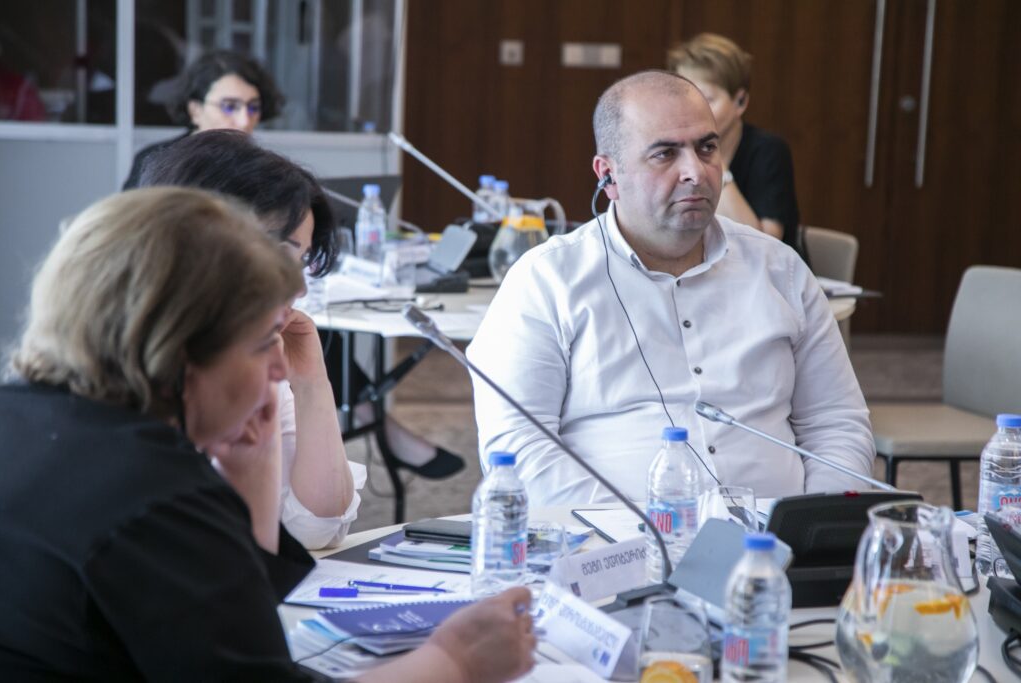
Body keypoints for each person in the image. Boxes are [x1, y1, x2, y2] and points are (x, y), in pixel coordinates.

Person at [0, 187, 535, 682]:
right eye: (261, 344)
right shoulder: (157, 496)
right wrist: (454, 661)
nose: (278, 370)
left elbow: (236, 618)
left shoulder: (25, 418)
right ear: (179, 353)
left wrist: (250, 472)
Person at [467, 70, 874, 506]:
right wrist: (638, 531)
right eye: (664, 154)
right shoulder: (547, 279)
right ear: (608, 175)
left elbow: (836, 423)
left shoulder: (780, 269)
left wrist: (815, 524)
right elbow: (519, 448)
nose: (695, 172)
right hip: (610, 539)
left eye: (707, 148)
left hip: (773, 539)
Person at [137, 131, 461, 551]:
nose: (299, 287)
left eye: (302, 261)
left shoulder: (250, 356)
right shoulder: (124, 377)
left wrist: (311, 384)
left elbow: (316, 528)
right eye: (282, 255)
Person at [668, 33, 808, 262]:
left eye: (707, 100)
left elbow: (764, 247)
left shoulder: (768, 151)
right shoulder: (675, 151)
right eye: (686, 100)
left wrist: (716, 163)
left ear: (740, 101)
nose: (694, 111)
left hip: (773, 275)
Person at [122, 49, 284, 189]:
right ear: (195, 110)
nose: (245, 121)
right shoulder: (156, 162)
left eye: (253, 107)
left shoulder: (264, 171)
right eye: (229, 106)